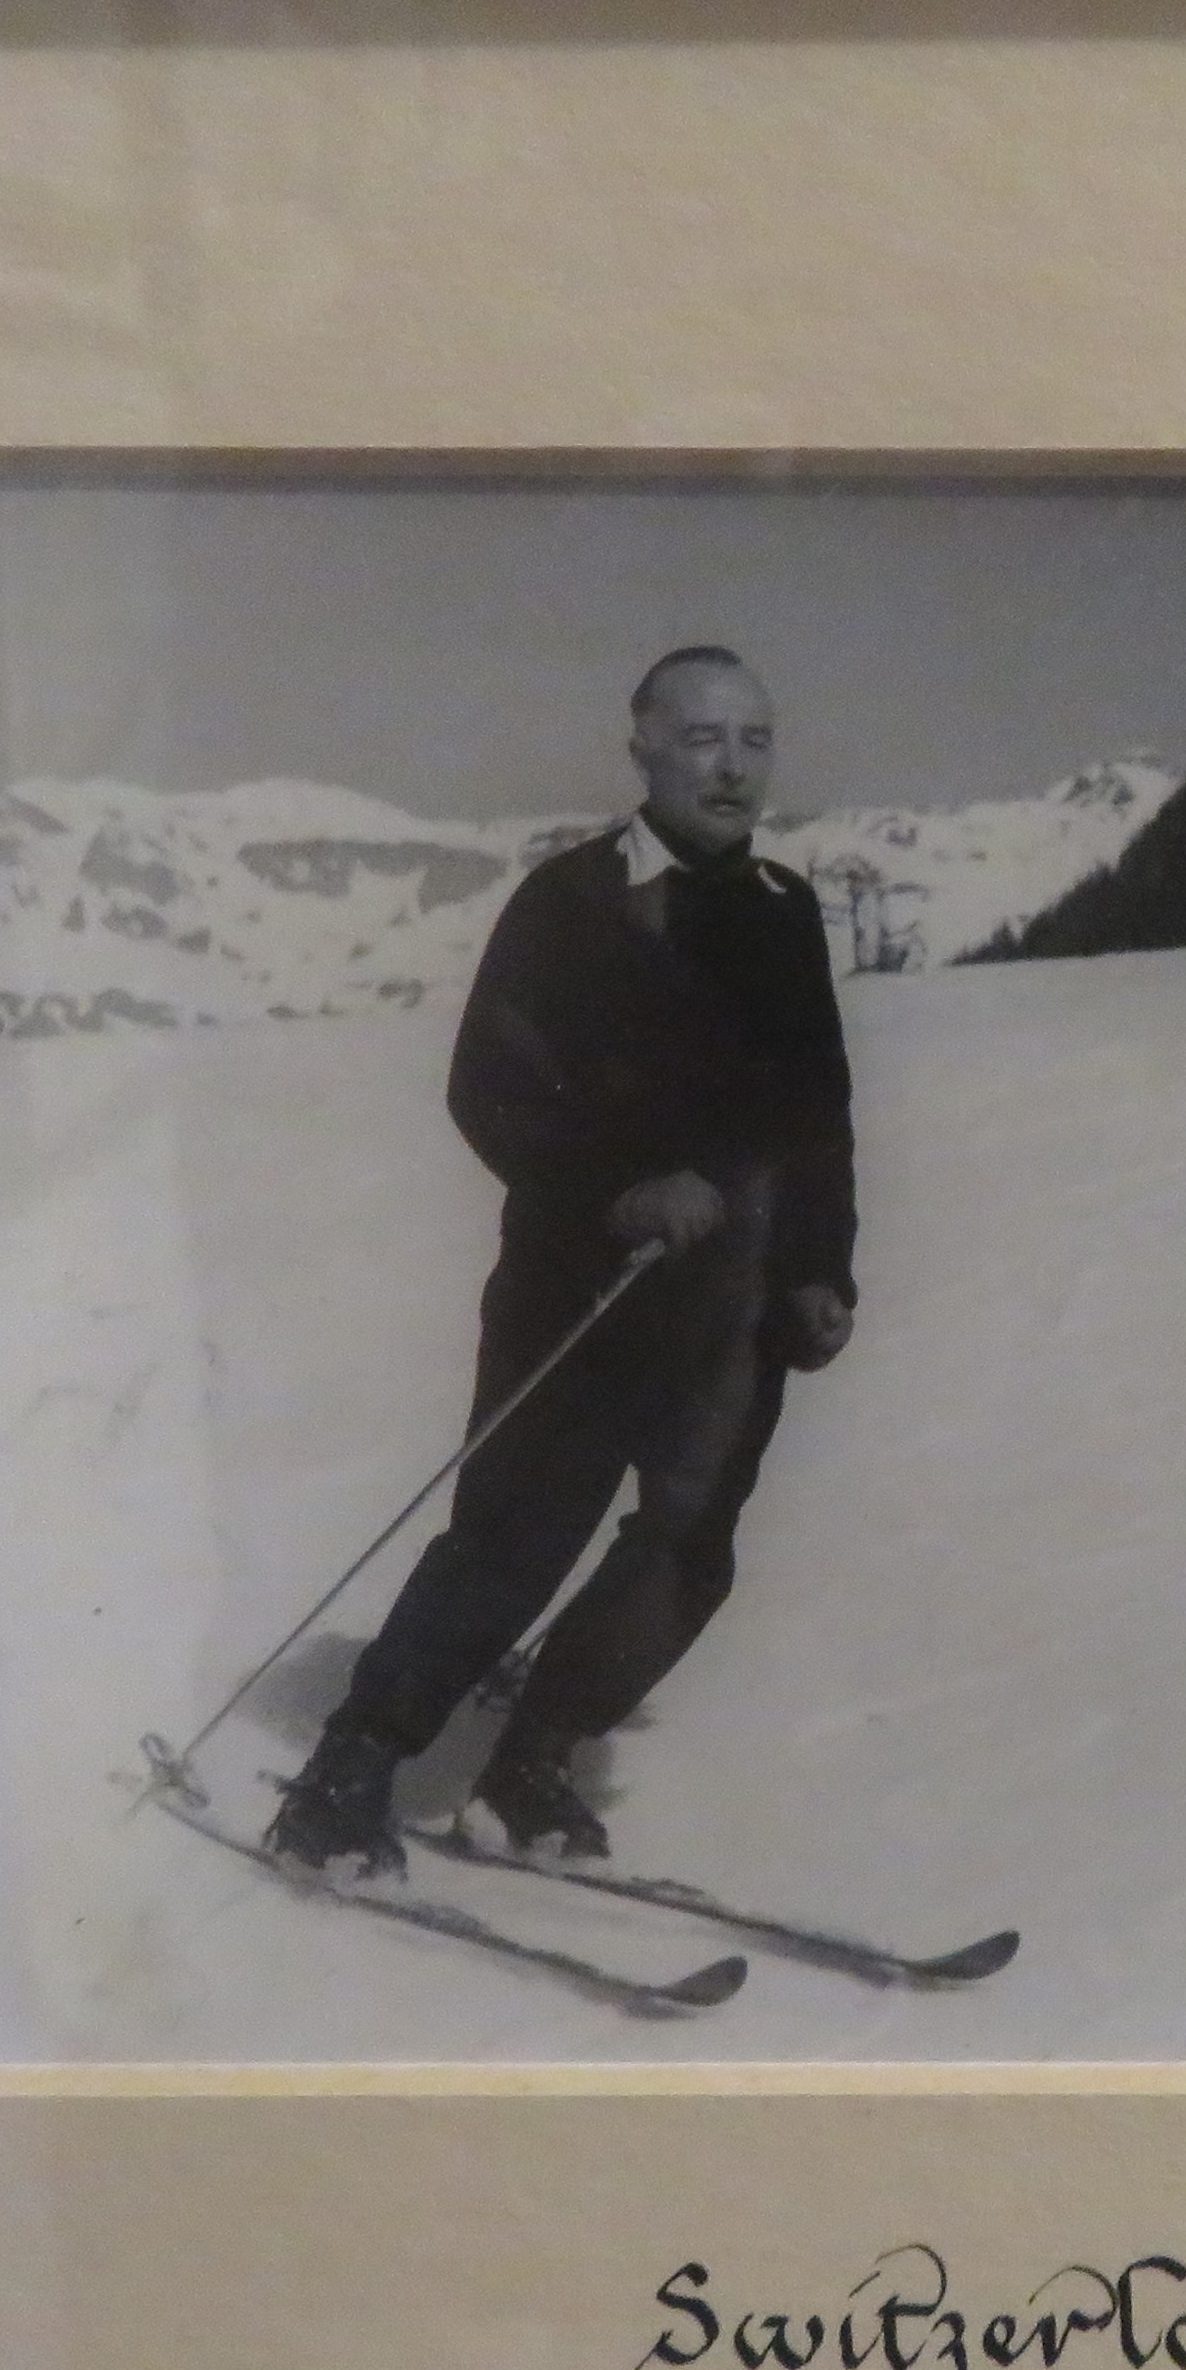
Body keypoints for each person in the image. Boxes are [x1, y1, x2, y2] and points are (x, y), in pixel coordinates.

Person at [266, 647, 859, 1874]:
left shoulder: (784, 909)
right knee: (517, 1533)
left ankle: (531, 1762)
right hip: (582, 1288)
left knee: (686, 1547)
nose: (733, 766)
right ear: (641, 748)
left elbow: (816, 1114)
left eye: (754, 739)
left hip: (735, 1303)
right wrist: (623, 1191)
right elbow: (489, 1086)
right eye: (702, 738)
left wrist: (822, 1269)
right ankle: (348, 1770)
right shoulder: (571, 902)